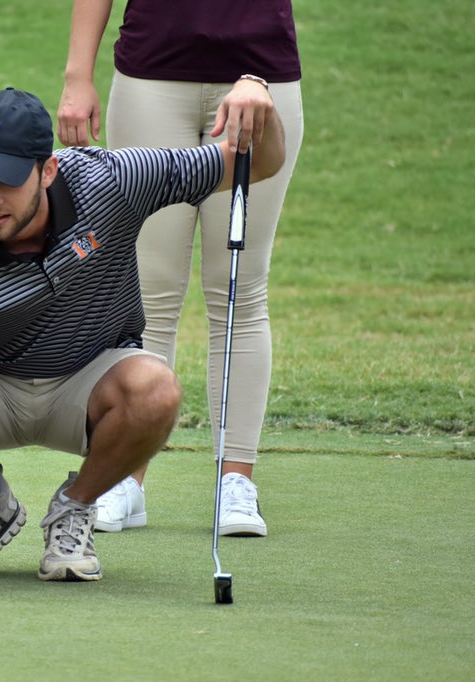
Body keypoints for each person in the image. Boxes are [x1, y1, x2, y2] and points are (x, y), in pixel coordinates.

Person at [0, 86, 284, 595]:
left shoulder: (112, 182)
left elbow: (256, 163)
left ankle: (76, 507)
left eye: (9, 181)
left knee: (157, 389)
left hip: (88, 381)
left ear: (47, 170)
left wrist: (259, 98)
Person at [57, 0, 305, 536]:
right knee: (149, 289)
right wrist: (78, 74)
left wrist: (258, 75)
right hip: (152, 72)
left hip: (262, 77)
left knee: (239, 289)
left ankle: (235, 483)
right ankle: (124, 480)